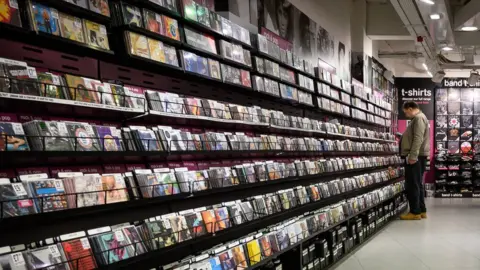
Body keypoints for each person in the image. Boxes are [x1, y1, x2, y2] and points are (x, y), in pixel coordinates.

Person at [400, 101, 430, 220]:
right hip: (418, 156)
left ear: (410, 108)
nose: (406, 114)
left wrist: (413, 156)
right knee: (417, 184)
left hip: (416, 157)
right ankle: (421, 210)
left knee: (413, 185)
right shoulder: (420, 118)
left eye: (406, 112)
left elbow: (418, 138)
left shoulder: (418, 118)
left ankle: (414, 212)